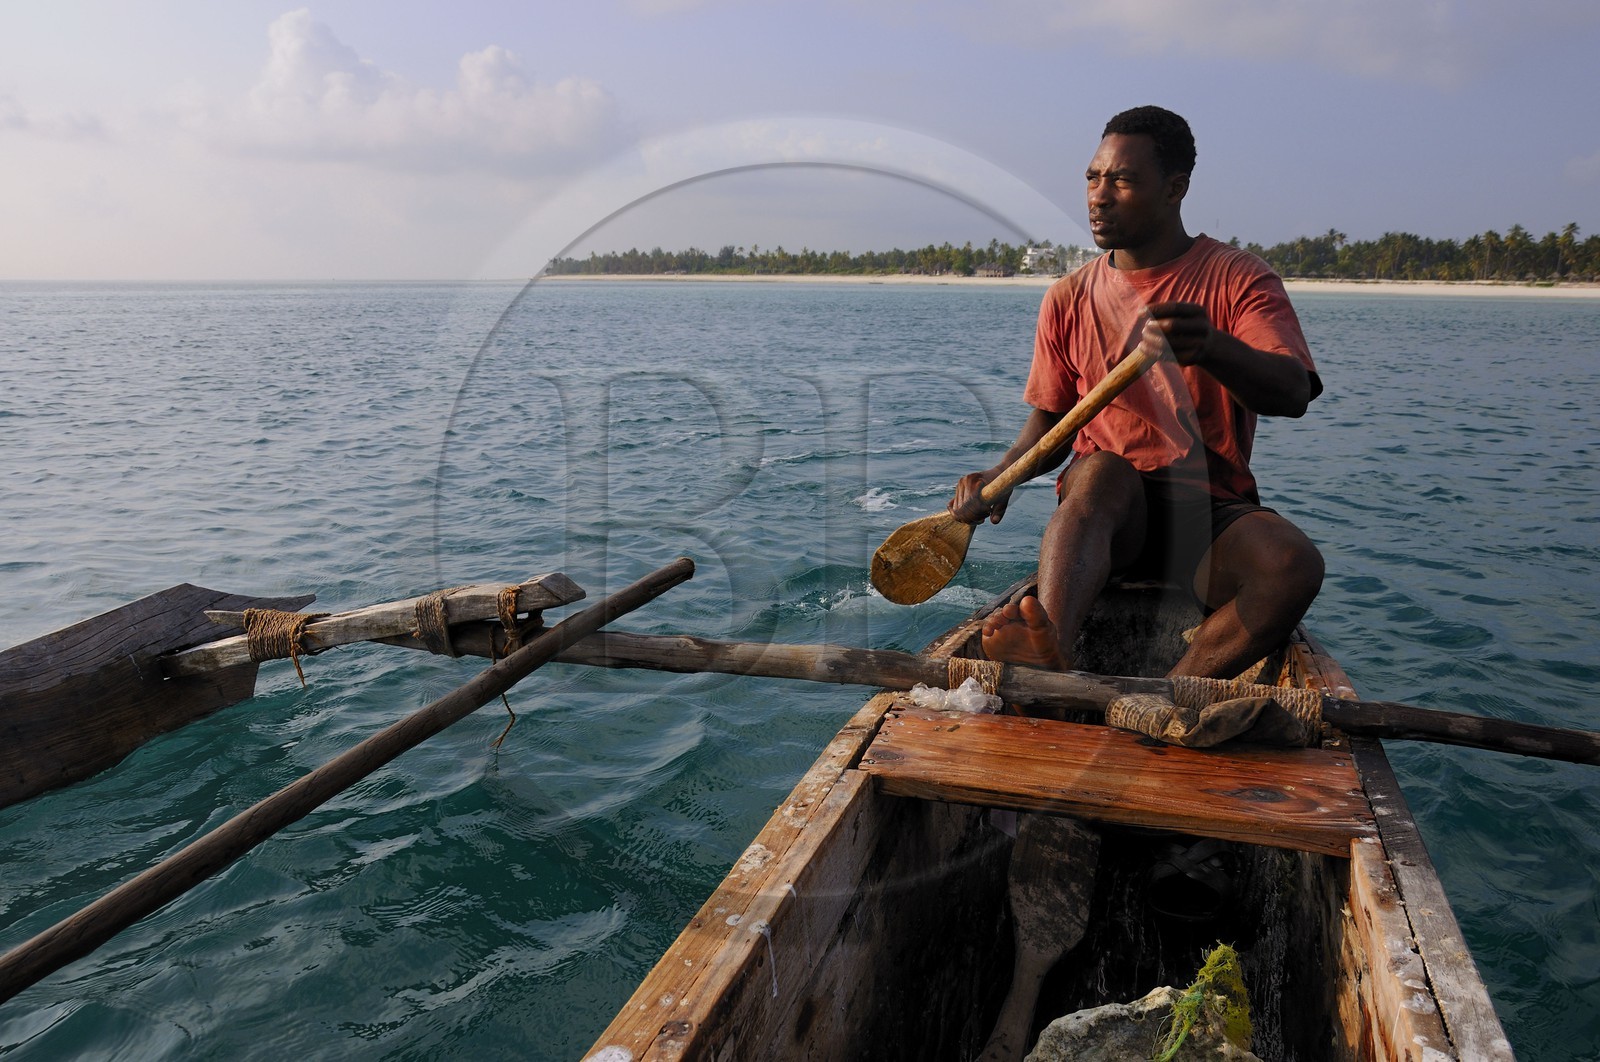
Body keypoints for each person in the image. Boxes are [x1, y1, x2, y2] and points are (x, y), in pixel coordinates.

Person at [950, 105, 1324, 679]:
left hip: (1207, 517)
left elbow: (1291, 392)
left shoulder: (1239, 278)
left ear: (1176, 188)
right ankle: (1052, 651)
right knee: (1101, 470)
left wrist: (1212, 347)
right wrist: (998, 477)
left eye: (1122, 180)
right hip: (1110, 522)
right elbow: (1051, 425)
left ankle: (1168, 695)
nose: (1099, 195)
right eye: (1093, 178)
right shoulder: (1068, 297)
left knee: (1293, 565)